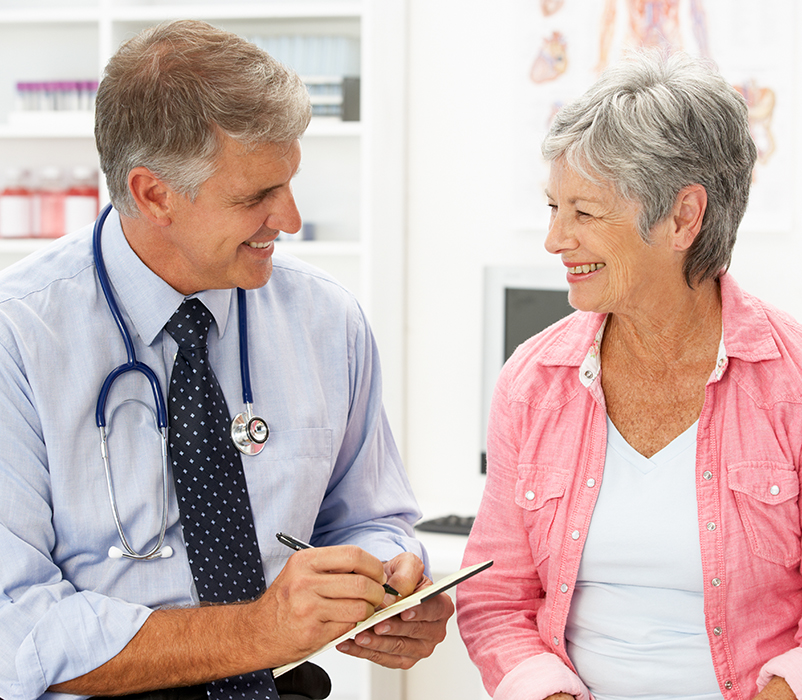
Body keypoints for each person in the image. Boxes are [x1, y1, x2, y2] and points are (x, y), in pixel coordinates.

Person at [0, 19, 453, 700]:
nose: (291, 219)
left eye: (290, 182)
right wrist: (259, 631)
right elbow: (16, 629)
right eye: (255, 197)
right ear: (154, 194)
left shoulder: (327, 320)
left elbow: (368, 516)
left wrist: (392, 582)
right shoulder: (20, 337)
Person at [457, 50, 802, 700]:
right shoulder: (532, 381)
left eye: (584, 213)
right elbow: (494, 597)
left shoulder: (792, 381)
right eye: (553, 207)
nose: (555, 239)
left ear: (682, 218)